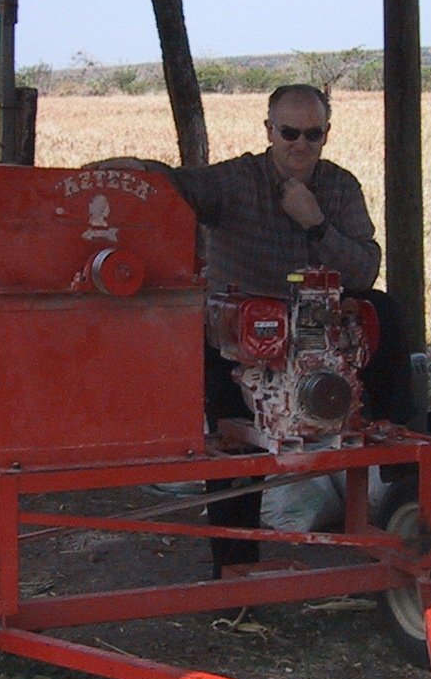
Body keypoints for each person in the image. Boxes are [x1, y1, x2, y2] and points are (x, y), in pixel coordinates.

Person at [94, 84, 413, 572]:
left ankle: (396, 458)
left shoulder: (341, 188)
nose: (300, 144)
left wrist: (316, 224)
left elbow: (365, 269)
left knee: (385, 311)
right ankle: (234, 569)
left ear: (327, 135)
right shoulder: (236, 181)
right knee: (230, 448)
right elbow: (178, 186)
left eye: (313, 134)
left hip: (317, 335)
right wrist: (135, 170)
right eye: (289, 132)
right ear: (269, 131)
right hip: (244, 339)